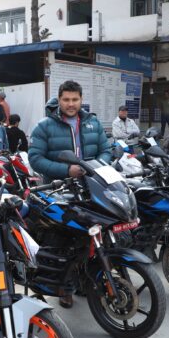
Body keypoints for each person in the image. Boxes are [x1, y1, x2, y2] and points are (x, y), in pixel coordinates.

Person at [29, 80, 111, 308]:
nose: (71, 104)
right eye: (66, 99)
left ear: (81, 100)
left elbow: (107, 150)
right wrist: (67, 170)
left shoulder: (92, 122)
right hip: (59, 191)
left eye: (75, 99)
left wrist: (94, 167)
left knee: (93, 236)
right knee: (65, 241)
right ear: (59, 100)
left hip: (90, 188)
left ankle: (88, 280)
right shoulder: (45, 126)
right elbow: (35, 159)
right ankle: (64, 288)